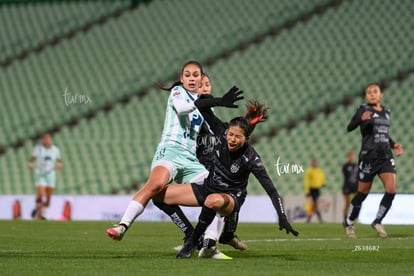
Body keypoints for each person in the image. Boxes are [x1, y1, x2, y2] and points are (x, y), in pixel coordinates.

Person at [151, 88, 299, 259]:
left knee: (212, 200)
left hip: (230, 197)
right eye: (231, 134)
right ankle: (192, 232)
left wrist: (281, 216)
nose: (232, 139)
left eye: (238, 137)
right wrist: (219, 101)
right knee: (158, 195)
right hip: (209, 187)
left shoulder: (251, 159)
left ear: (247, 140)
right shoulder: (222, 133)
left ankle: (192, 242)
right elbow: (199, 105)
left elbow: (271, 190)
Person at [106, 61, 230, 257]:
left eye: (195, 75)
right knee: (155, 185)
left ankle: (209, 245)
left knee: (220, 190)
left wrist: (246, 123)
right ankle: (123, 226)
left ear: (201, 78)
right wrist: (211, 101)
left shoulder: (206, 107)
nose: (191, 78)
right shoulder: (178, 92)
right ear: (182, 79)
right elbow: (181, 109)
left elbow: (219, 131)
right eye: (187, 75)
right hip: (170, 150)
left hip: (190, 159)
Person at [343, 83, 403, 238]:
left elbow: (383, 134)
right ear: (366, 96)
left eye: (375, 91)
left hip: (385, 156)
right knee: (362, 193)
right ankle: (349, 221)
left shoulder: (387, 112)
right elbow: (349, 127)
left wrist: (393, 144)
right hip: (368, 157)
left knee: (391, 190)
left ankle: (377, 221)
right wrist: (360, 120)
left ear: (381, 94)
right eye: (369, 92)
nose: (372, 94)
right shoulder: (363, 110)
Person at [28, 132, 63, 220]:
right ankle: (36, 207)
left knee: (48, 196)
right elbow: (32, 158)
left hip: (51, 174)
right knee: (40, 193)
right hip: (40, 173)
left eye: (48, 138)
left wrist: (59, 164)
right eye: (45, 138)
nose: (46, 140)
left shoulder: (55, 149)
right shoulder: (38, 149)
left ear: (51, 140)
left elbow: (59, 160)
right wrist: (31, 163)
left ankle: (43, 214)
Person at [303, 158, 326, 223]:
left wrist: (323, 183)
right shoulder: (309, 171)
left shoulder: (319, 171)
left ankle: (310, 219)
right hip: (311, 189)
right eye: (313, 162)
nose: (314, 164)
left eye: (315, 162)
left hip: (317, 189)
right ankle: (319, 219)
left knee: (314, 204)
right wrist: (307, 191)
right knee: (314, 204)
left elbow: (322, 178)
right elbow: (306, 181)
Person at [341, 150, 358, 220]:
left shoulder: (356, 166)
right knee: (347, 203)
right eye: (350, 155)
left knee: (357, 202)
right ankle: (345, 218)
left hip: (355, 186)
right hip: (347, 186)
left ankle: (355, 217)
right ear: (348, 156)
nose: (352, 157)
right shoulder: (345, 166)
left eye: (353, 155)